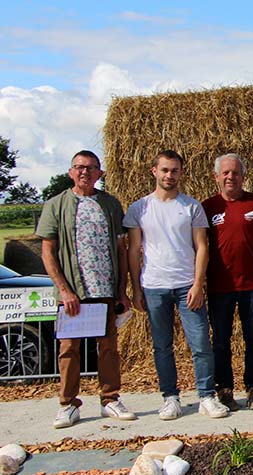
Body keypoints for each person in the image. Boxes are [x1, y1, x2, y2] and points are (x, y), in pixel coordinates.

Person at [125, 150, 229, 420]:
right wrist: (136, 289)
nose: (169, 175)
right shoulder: (139, 208)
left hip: (186, 286)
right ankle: (170, 398)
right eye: (164, 170)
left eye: (174, 171)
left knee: (200, 344)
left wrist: (197, 284)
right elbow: (134, 249)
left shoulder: (192, 207)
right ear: (154, 172)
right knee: (162, 346)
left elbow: (202, 246)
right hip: (154, 286)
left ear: (181, 173)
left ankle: (206, 396)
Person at [36, 150, 136, 428]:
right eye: (80, 167)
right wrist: (64, 290)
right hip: (73, 293)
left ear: (100, 174)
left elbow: (120, 249)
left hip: (104, 291)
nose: (85, 172)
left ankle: (110, 399)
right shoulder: (56, 205)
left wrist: (121, 290)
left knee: (108, 348)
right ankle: (68, 404)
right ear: (71, 172)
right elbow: (48, 253)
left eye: (91, 168)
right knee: (69, 350)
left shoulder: (110, 204)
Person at [202, 153, 253, 411]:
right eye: (225, 172)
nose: (230, 177)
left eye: (235, 172)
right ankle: (224, 390)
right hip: (219, 287)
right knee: (221, 341)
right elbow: (199, 246)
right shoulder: (207, 207)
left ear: (243, 176)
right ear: (216, 177)